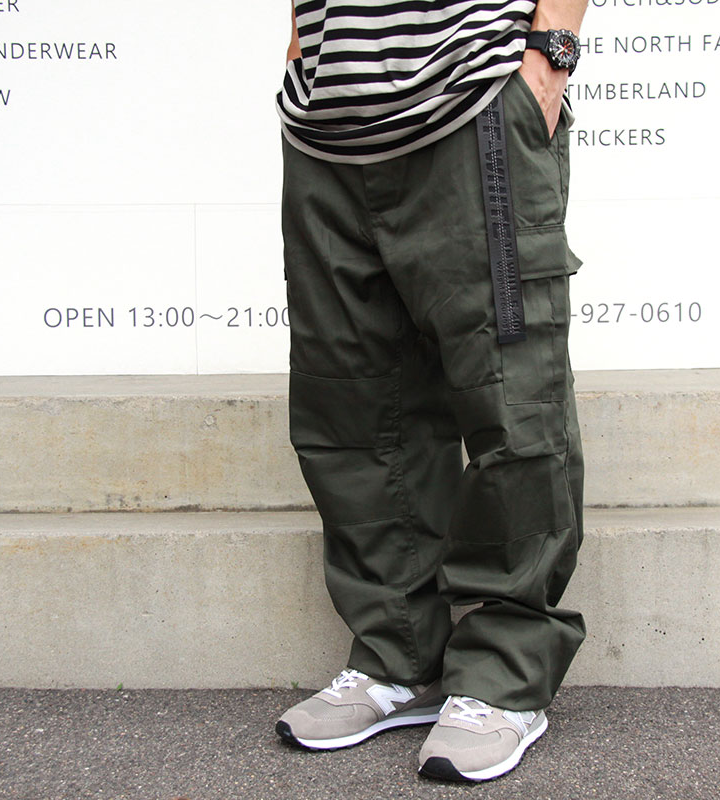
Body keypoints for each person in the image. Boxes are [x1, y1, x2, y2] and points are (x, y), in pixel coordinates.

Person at [274, 0, 587, 782]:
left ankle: (505, 677)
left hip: (471, 101)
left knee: (511, 398)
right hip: (327, 129)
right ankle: (399, 656)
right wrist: (303, 45)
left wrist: (549, 56)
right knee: (353, 406)